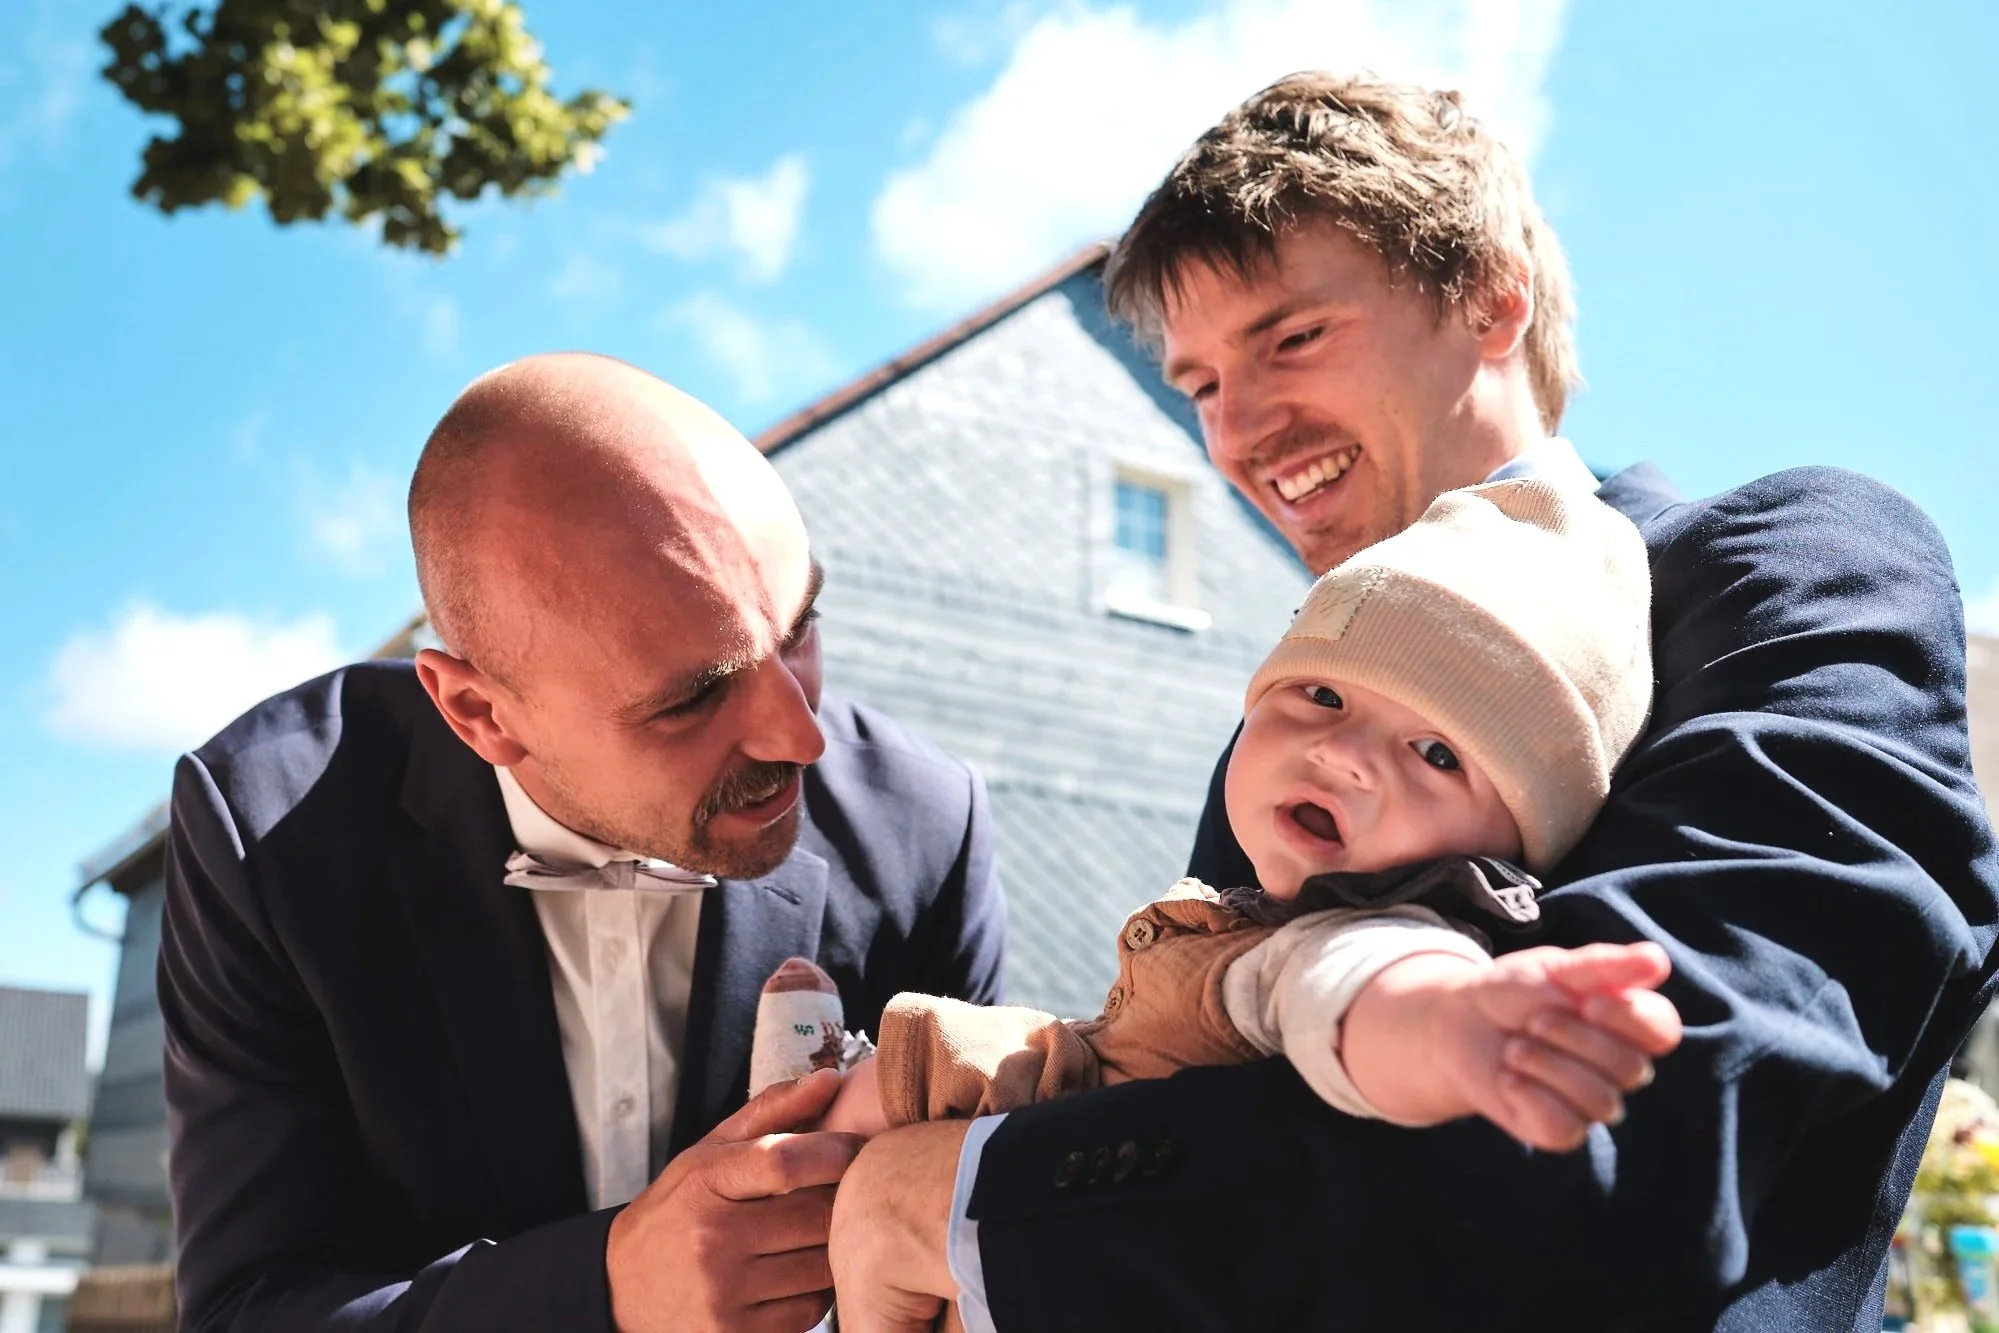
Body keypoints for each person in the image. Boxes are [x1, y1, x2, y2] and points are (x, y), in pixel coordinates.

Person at [827, 72, 1999, 1332]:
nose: (1241, 430)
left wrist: (961, 1199)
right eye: (1199, 385)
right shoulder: (1283, 736)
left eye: (1290, 339)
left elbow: (1633, 1134)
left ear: (1494, 299)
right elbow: (1231, 1070)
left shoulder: (1785, 562)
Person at [158, 354, 1007, 1333]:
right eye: (695, 695)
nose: (801, 737)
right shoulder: (267, 830)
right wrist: (605, 1289)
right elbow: (244, 1308)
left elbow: (975, 1247)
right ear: (479, 713)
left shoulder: (925, 825)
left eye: (800, 623)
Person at [815, 476, 1683, 1154]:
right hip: (1046, 1148)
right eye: (1321, 693)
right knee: (933, 1049)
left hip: (1080, 1226)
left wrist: (1460, 1028)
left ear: (1509, 843)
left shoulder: (1361, 935)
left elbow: (1355, 998)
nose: (1344, 752)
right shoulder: (1264, 918)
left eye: (1438, 753)